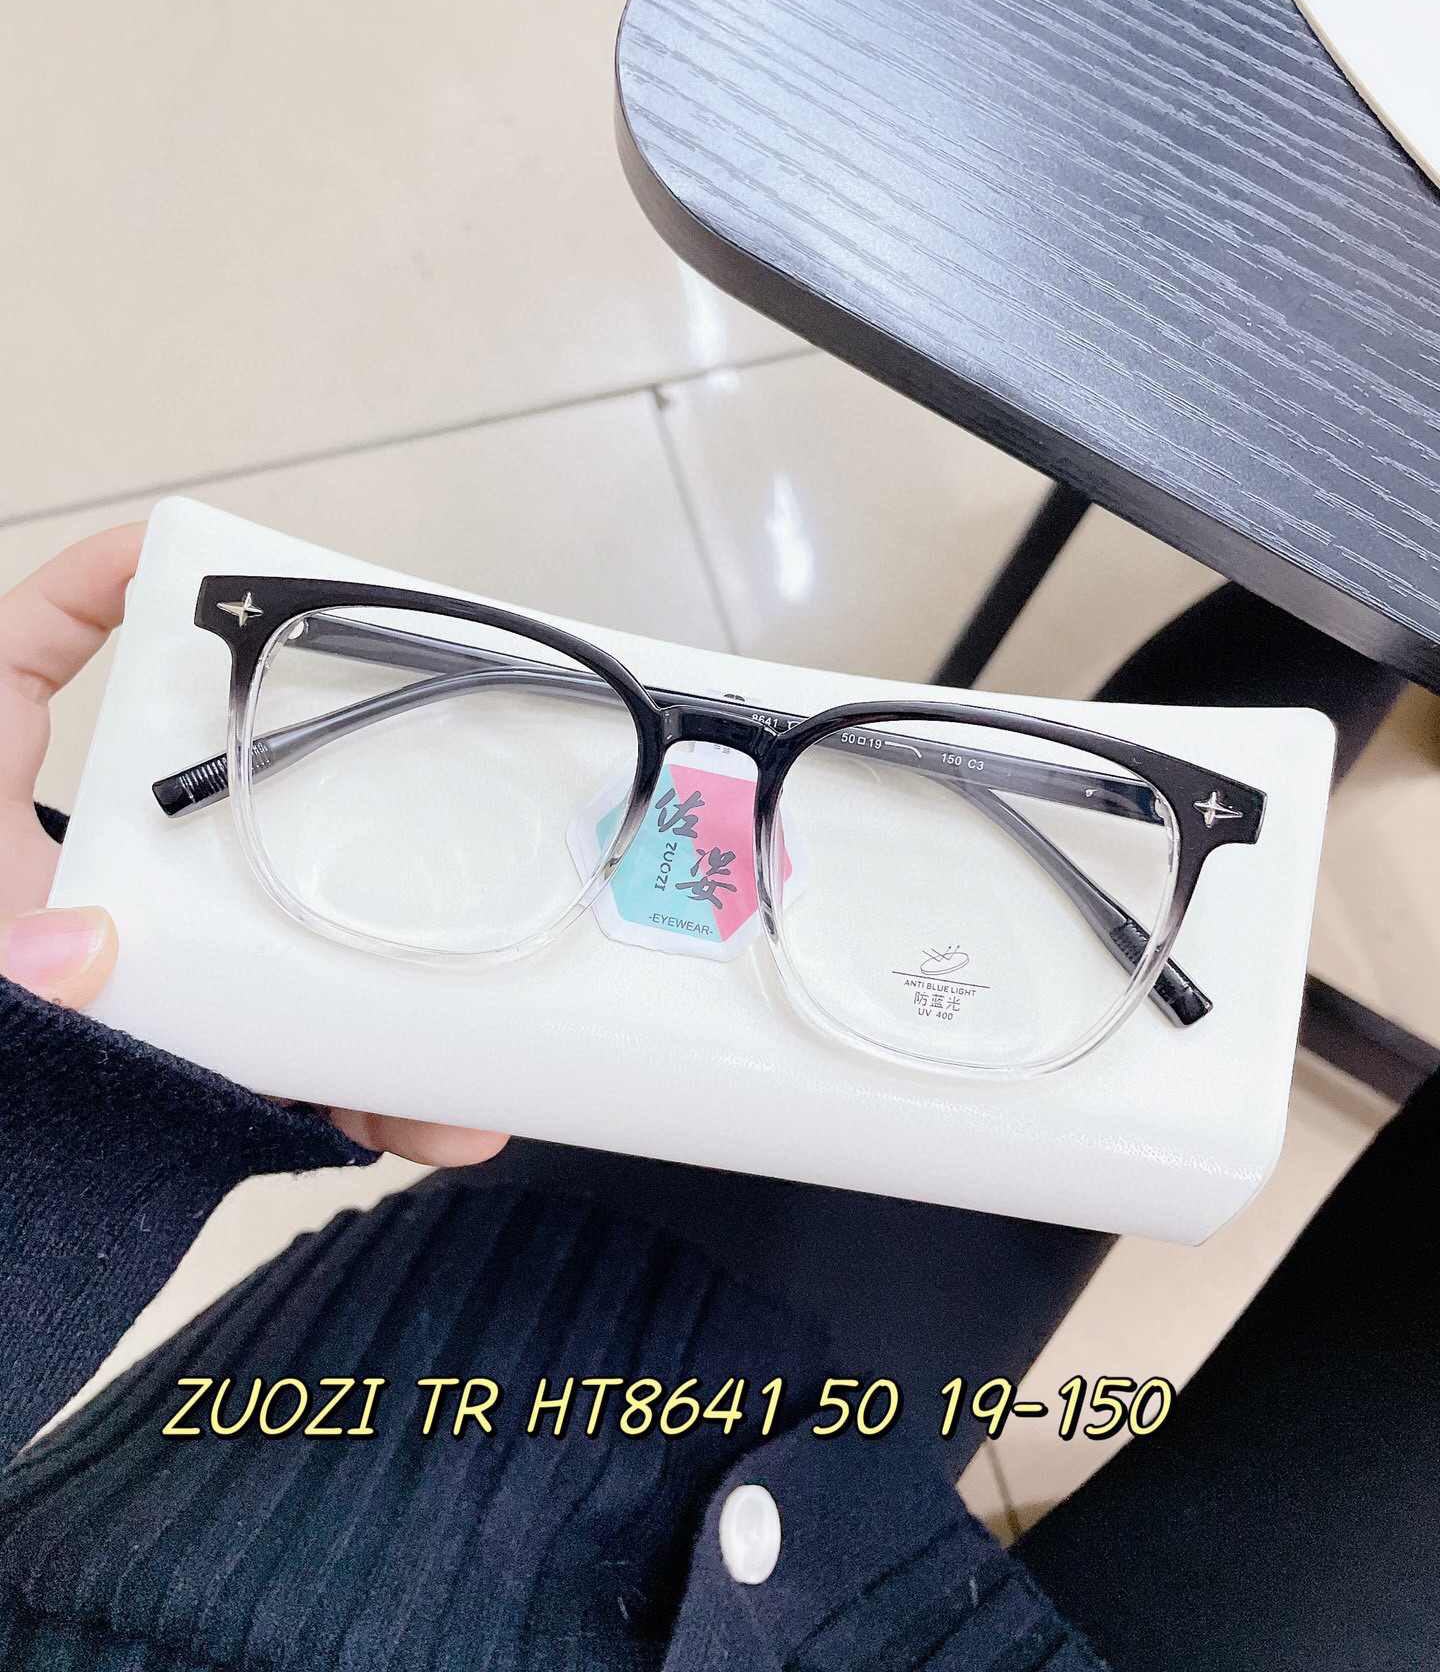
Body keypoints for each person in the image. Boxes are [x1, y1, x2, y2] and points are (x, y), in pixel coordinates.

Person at [0, 526, 1431, 1669]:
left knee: (1069, 841)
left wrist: (56, 1099)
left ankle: (1364, 523)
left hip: (395, 1467)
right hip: (389, 1499)